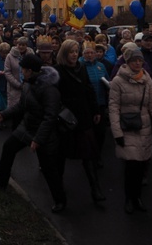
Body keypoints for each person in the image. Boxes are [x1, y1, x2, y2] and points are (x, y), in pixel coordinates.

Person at [0, 54, 66, 212]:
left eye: (23, 69)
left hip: (44, 133)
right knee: (9, 147)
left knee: (48, 168)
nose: (21, 72)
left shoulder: (48, 89)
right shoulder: (28, 84)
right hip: (27, 127)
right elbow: (21, 106)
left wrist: (38, 139)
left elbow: (50, 117)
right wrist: (4, 114)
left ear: (30, 70)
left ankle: (60, 201)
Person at [109, 49, 152, 213]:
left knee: (141, 166)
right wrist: (117, 133)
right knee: (131, 166)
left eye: (140, 60)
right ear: (127, 62)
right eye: (134, 60)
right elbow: (113, 108)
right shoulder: (118, 81)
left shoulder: (147, 79)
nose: (138, 63)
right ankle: (128, 198)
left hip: (144, 127)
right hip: (127, 127)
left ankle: (138, 197)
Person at [56, 39, 105, 204]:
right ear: (64, 53)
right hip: (66, 116)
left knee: (88, 154)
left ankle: (95, 188)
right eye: (71, 51)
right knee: (61, 154)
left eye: (76, 51)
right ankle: (59, 192)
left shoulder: (81, 68)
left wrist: (95, 110)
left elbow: (89, 89)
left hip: (83, 114)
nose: (74, 55)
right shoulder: (58, 71)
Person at [81, 42, 110, 168]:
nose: (90, 55)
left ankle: (97, 155)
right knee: (89, 132)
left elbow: (107, 80)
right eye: (87, 53)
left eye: (92, 52)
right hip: (87, 104)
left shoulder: (101, 66)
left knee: (101, 132)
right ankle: (88, 156)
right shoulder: (80, 66)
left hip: (101, 102)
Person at [4, 37, 34, 129]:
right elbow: (7, 72)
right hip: (14, 87)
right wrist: (17, 84)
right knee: (16, 112)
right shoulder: (10, 56)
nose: (21, 47)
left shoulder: (31, 55)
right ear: (17, 45)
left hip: (28, 86)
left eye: (23, 45)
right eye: (19, 45)